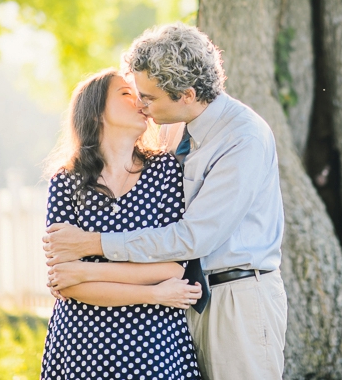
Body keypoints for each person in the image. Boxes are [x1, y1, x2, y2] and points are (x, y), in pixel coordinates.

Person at [44, 23, 287, 380]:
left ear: (186, 94)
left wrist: (92, 249)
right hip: (187, 302)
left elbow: (193, 238)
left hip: (237, 296)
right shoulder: (174, 126)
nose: (142, 105)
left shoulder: (243, 138)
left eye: (149, 97)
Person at [41, 68, 203, 380]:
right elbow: (67, 281)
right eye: (126, 93)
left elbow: (172, 268)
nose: (140, 101)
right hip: (83, 345)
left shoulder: (164, 171)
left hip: (153, 343)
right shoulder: (66, 181)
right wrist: (153, 294)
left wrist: (86, 271)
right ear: (96, 112)